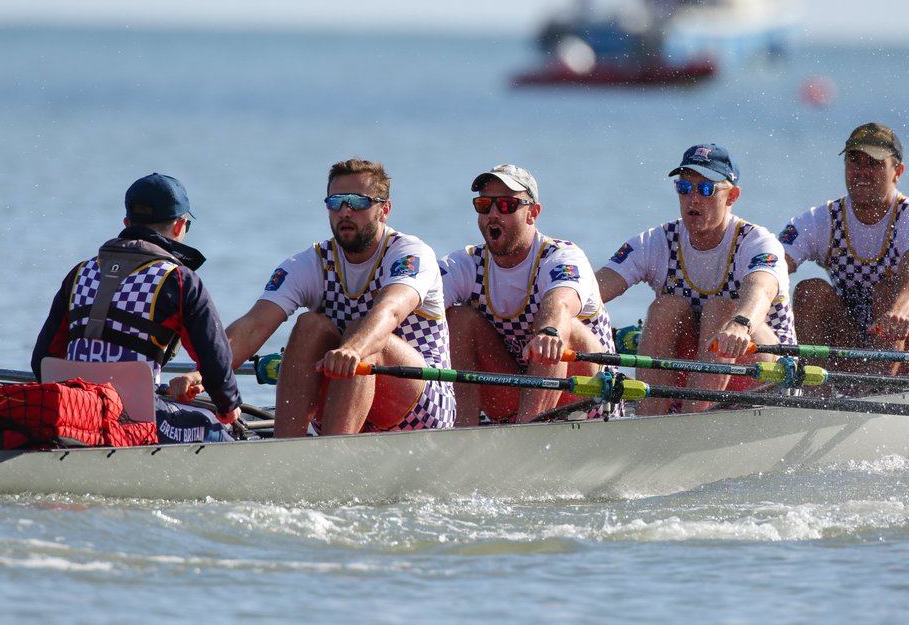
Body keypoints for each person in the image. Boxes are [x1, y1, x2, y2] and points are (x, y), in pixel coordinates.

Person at [175, 158, 454, 437]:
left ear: (384, 210)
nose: (345, 212)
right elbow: (253, 326)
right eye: (336, 202)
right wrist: (204, 374)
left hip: (421, 409)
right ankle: (287, 447)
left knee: (364, 335)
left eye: (357, 202)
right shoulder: (312, 262)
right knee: (309, 325)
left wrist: (354, 349)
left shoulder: (410, 254)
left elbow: (390, 310)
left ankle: (333, 451)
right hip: (344, 398)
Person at [32, 173, 242, 443]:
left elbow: (42, 360)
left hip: (75, 414)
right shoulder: (178, 280)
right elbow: (215, 364)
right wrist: (228, 408)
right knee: (216, 428)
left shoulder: (79, 273)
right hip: (136, 421)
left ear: (127, 224)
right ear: (180, 226)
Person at [596, 144, 795, 416]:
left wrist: (741, 324)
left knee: (721, 309)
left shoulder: (757, 241)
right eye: (684, 188)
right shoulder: (657, 241)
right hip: (695, 370)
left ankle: (694, 420)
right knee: (666, 308)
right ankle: (649, 420)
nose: (693, 199)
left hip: (765, 374)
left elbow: (762, 288)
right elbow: (591, 291)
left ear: (732, 196)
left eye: (706, 189)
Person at [440, 164, 616, 426]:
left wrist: (550, 332)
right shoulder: (466, 263)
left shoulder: (563, 256)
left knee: (561, 326)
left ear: (532, 213)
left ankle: (527, 431)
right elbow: (417, 301)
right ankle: (461, 433)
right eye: (485, 205)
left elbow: (561, 301)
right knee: (458, 318)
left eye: (507, 205)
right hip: (513, 396)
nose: (493, 214)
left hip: (586, 399)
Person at [777, 123, 909, 369]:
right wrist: (744, 316)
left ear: (898, 172)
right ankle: (816, 388)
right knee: (809, 291)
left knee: (888, 290)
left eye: (874, 164)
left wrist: (899, 311)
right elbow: (770, 269)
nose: (861, 172)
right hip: (860, 345)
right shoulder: (820, 221)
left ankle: (882, 386)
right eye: (854, 162)